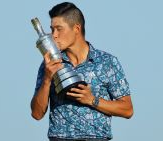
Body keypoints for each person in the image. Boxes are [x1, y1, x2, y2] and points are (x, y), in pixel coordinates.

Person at [30, 2, 134, 141]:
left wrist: (92, 100)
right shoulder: (48, 65)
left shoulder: (107, 62)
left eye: (59, 29)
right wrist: (47, 79)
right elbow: (37, 114)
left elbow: (127, 109)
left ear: (76, 29)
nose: (53, 35)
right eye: (52, 29)